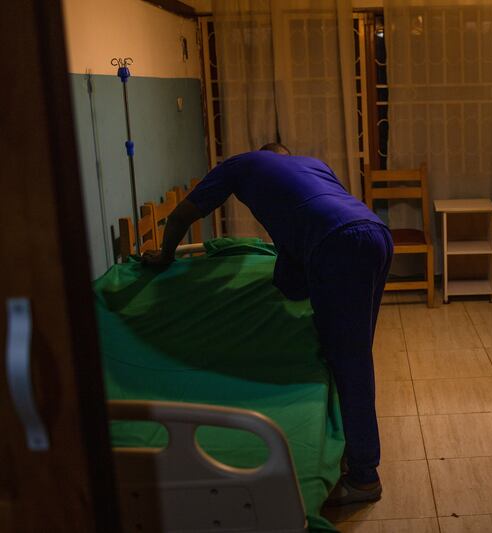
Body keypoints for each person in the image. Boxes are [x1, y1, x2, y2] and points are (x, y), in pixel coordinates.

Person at [142, 143, 392, 505]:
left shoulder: (240, 164)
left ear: (265, 155)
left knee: (350, 363)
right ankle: (350, 442)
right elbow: (295, 260)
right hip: (375, 232)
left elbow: (182, 215)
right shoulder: (312, 166)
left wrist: (165, 256)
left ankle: (365, 477)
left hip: (338, 244)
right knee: (352, 355)